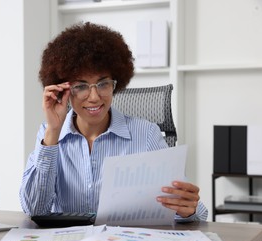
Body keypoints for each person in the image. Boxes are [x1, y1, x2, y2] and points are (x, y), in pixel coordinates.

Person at [20, 22, 208, 222]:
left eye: (103, 84)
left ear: (115, 83)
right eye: (81, 86)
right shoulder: (49, 135)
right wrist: (53, 131)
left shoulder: (146, 134)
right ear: (63, 89)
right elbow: (34, 209)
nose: (94, 97)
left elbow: (198, 212)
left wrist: (187, 209)